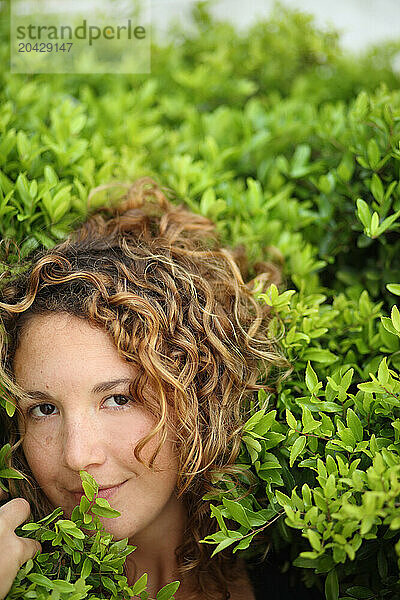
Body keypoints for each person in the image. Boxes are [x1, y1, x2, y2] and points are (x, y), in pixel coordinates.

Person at [0, 176, 292, 600]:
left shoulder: (298, 569)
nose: (78, 456)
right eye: (43, 409)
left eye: (118, 399)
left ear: (195, 398)